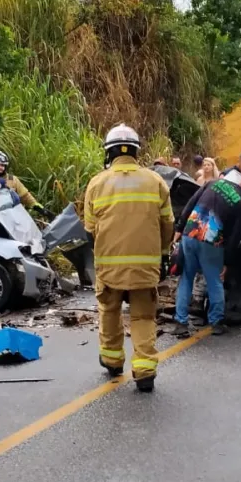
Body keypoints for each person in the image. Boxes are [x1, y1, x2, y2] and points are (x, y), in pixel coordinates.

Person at [83, 124, 175, 393]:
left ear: (109, 153)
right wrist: (163, 254)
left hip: (109, 266)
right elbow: (168, 224)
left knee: (109, 311)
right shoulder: (155, 182)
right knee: (143, 316)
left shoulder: (97, 183)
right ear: (136, 152)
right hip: (145, 266)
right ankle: (145, 372)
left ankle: (112, 360)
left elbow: (89, 229)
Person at [172, 172, 241, 336]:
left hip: (190, 232)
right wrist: (227, 262)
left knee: (186, 279)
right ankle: (216, 322)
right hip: (211, 241)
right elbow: (235, 238)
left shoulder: (213, 183)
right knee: (215, 281)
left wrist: (179, 227)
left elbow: (191, 203)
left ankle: (181, 323)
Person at [0, 151, 55, 219]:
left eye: (2, 165)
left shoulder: (13, 180)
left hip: (11, 217)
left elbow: (25, 196)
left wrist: (38, 208)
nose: (0, 167)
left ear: (5, 166)